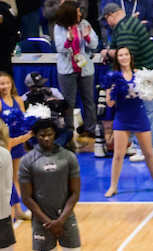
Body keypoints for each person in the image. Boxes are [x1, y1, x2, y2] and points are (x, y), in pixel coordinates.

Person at [19, 120, 100, 251]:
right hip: (42, 222)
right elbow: (27, 197)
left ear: (55, 134)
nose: (46, 138)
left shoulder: (68, 157)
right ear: (35, 136)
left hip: (66, 219)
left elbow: (75, 193)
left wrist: (61, 219)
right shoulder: (28, 160)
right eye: (42, 135)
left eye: (49, 134)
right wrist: (48, 222)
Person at [102, 2, 153, 151]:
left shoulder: (125, 28)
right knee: (143, 113)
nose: (107, 24)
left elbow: (126, 54)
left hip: (146, 79)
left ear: (111, 16)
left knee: (145, 114)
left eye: (106, 20)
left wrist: (107, 53)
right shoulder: (129, 22)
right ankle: (139, 145)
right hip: (146, 77)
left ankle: (144, 149)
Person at [103, 46, 153, 197]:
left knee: (149, 153)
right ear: (117, 59)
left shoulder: (139, 75)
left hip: (139, 116)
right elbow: (110, 104)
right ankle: (113, 186)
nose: (124, 58)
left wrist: (148, 84)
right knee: (118, 155)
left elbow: (149, 96)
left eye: (126, 55)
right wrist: (112, 88)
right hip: (122, 118)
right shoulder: (113, 77)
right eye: (121, 55)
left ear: (130, 57)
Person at [52, 0, 98, 147]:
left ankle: (91, 128)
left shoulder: (85, 24)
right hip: (67, 70)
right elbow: (60, 49)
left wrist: (87, 37)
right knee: (68, 102)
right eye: (77, 11)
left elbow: (95, 44)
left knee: (89, 100)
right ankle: (69, 130)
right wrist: (69, 41)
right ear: (70, 13)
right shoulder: (59, 28)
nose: (80, 13)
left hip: (85, 68)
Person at [0, 72, 31, 222]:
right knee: (6, 179)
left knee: (16, 177)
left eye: (7, 83)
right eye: (2, 84)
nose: (5, 86)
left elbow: (24, 121)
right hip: (5, 144)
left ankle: (18, 210)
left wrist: (26, 135)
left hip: (18, 142)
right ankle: (9, 211)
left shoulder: (18, 100)